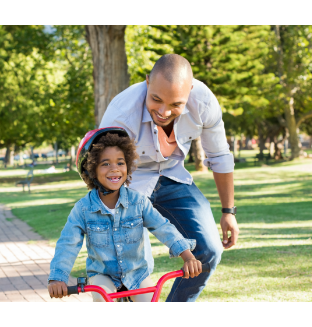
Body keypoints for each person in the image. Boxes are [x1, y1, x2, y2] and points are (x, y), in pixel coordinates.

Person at [98, 54, 239, 302]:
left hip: (174, 176)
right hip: (129, 183)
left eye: (175, 104)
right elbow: (105, 171)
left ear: (190, 91)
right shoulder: (121, 114)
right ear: (147, 83)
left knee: (209, 250)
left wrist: (228, 211)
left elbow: (219, 156)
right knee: (131, 267)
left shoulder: (203, 102)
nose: (164, 111)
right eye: (156, 99)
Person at [47, 127, 202, 302]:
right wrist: (57, 278)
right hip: (102, 275)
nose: (114, 169)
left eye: (120, 163)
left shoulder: (138, 202)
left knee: (149, 299)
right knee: (103, 298)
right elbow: (68, 243)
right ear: (91, 169)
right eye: (105, 164)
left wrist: (187, 256)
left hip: (136, 273)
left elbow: (162, 227)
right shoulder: (83, 209)